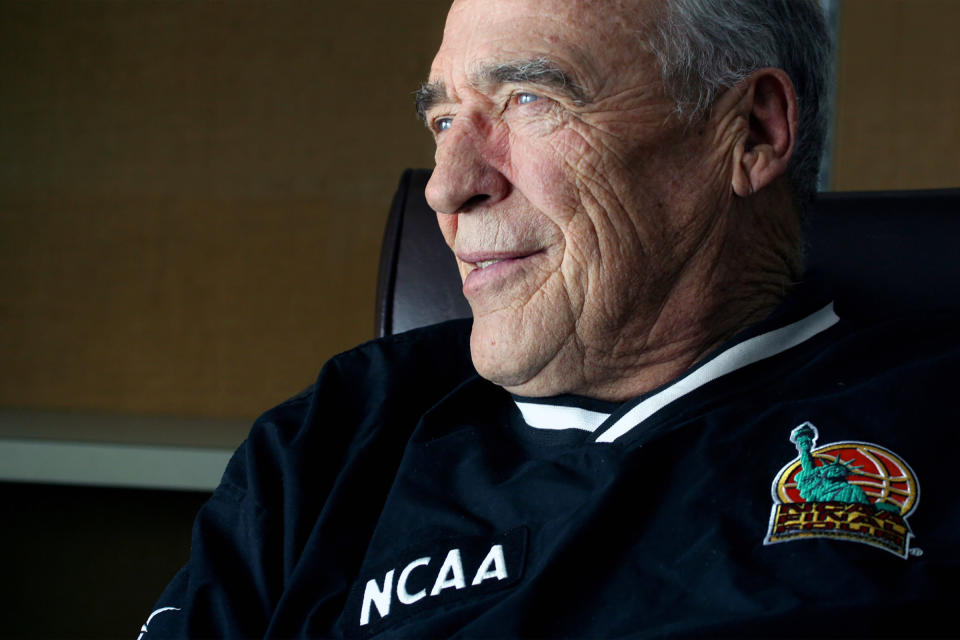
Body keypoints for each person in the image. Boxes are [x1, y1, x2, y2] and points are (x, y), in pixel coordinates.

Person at [143, 0, 958, 637]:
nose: (447, 185)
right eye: (442, 121)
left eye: (530, 97)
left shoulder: (931, 420)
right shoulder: (335, 439)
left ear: (749, 132)